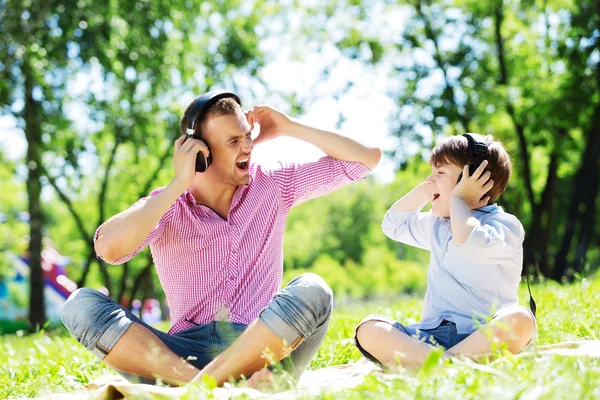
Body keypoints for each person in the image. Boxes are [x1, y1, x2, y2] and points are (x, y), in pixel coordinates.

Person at [61, 90, 382, 386]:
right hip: (179, 355)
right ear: (199, 152)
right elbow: (107, 248)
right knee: (80, 304)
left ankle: (201, 389)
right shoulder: (167, 206)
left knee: (314, 289)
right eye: (233, 141)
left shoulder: (273, 185)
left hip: (260, 348)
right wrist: (177, 184)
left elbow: (367, 159)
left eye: (248, 136)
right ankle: (205, 386)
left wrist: (289, 126)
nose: (248, 147)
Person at [354, 134, 536, 370]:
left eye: (440, 172)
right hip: (429, 338)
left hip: (481, 333)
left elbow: (469, 242)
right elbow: (393, 225)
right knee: (369, 329)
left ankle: (433, 364)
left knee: (521, 320)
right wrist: (429, 188)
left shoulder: (504, 225)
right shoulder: (438, 224)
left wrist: (459, 198)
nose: (430, 179)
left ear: (474, 178)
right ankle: (450, 364)